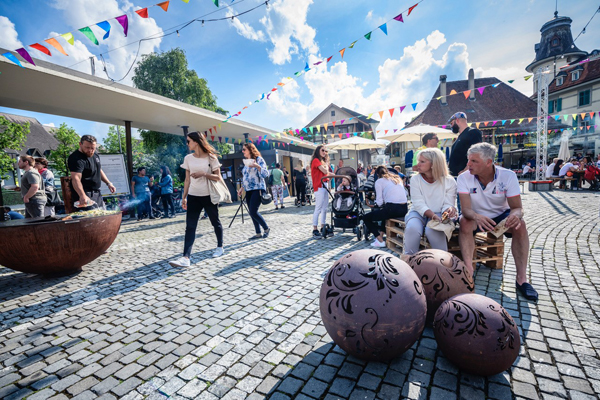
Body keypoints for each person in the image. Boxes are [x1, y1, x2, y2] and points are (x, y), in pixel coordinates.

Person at [457, 143, 538, 302]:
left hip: (501, 214)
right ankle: (469, 271)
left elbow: (517, 208)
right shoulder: (463, 177)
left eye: (474, 161)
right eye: (469, 160)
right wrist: (476, 216)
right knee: (464, 222)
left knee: (520, 225)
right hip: (475, 215)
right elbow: (466, 209)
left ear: (489, 162)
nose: (468, 164)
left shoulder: (508, 176)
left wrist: (516, 215)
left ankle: (522, 279)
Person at [170, 131, 225, 267]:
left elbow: (218, 177)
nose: (187, 143)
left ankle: (220, 247)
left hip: (209, 196)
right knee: (190, 227)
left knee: (215, 221)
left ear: (196, 141)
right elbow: (187, 179)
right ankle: (186, 258)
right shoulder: (188, 158)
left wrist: (204, 174)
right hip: (193, 196)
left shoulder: (211, 158)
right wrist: (184, 197)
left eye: (188, 141)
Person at [403, 148, 457, 256]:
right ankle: (408, 260)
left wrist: (449, 209)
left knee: (433, 230)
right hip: (418, 212)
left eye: (422, 162)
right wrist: (432, 215)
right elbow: (418, 203)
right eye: (419, 161)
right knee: (412, 228)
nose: (418, 164)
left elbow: (448, 203)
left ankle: (443, 262)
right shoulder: (415, 179)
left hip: (440, 213)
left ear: (434, 164)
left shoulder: (449, 181)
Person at [363, 165, 408, 247]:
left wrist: (376, 202)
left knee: (366, 218)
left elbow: (379, 202)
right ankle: (381, 235)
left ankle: (379, 240)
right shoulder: (397, 179)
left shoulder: (379, 181)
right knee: (385, 214)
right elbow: (405, 194)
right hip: (404, 208)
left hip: (392, 209)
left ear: (377, 175)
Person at [68, 135, 116, 209]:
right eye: (87, 147)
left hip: (97, 192)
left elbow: (99, 170)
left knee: (101, 216)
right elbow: (76, 178)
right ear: (80, 144)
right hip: (85, 193)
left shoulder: (95, 155)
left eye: (93, 148)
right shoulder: (76, 158)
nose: (90, 150)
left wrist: (108, 183)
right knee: (90, 217)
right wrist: (82, 195)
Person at [238, 142, 271, 240]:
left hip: (257, 188)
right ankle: (258, 233)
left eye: (244, 149)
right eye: (242, 149)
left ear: (250, 150)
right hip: (248, 189)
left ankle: (266, 228)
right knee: (251, 212)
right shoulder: (246, 162)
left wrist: (257, 166)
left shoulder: (258, 159)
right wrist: (242, 188)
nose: (242, 151)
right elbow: (246, 177)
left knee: (253, 211)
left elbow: (265, 174)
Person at [447, 112, 483, 176]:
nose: (451, 126)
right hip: (456, 176)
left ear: (457, 120)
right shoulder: (459, 137)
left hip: (466, 176)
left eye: (451, 123)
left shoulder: (473, 132)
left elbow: (477, 152)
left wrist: (466, 170)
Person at [311, 145, 334, 239]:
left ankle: (322, 227)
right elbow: (324, 171)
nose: (324, 152)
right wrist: (329, 171)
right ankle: (315, 229)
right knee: (318, 208)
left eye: (325, 151)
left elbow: (327, 174)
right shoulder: (316, 160)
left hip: (324, 186)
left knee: (324, 208)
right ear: (318, 151)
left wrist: (336, 175)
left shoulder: (323, 162)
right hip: (319, 186)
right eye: (322, 150)